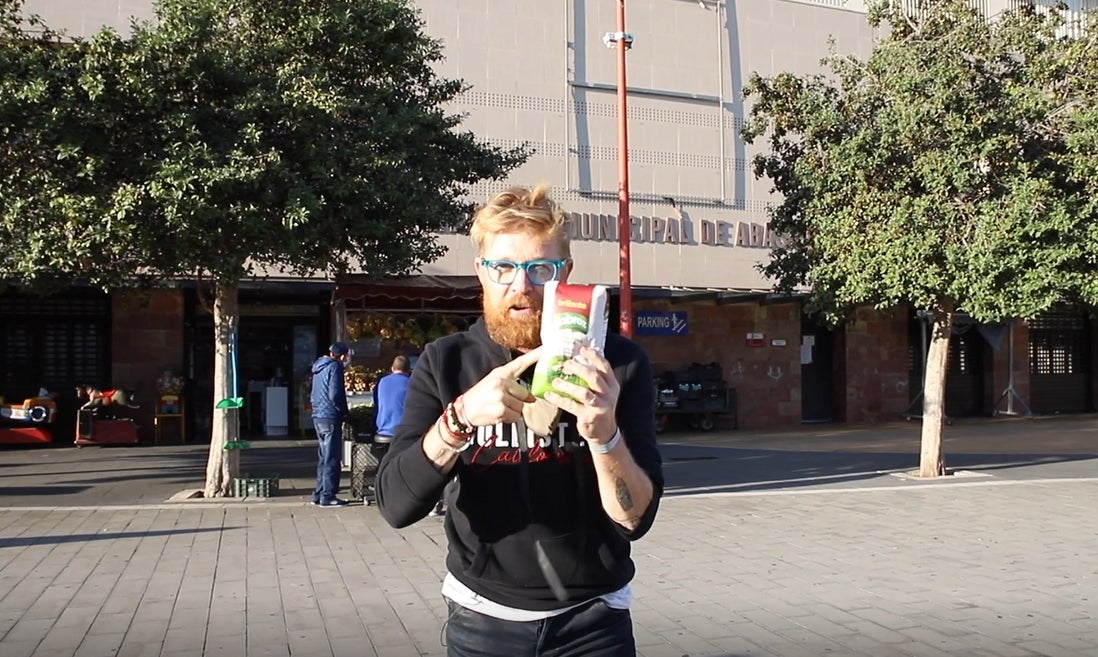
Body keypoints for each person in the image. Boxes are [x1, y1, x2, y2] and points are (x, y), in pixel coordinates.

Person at [376, 185, 663, 656]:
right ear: (481, 273)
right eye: (504, 268)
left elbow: (636, 519)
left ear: (565, 274)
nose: (521, 286)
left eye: (540, 269)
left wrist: (604, 435)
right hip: (481, 619)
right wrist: (460, 417)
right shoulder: (446, 362)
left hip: (593, 620)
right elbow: (395, 505)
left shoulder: (619, 364)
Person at [310, 341, 351, 507]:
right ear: (341, 356)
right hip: (330, 416)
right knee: (332, 457)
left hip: (318, 415)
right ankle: (328, 495)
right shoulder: (335, 367)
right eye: (346, 356)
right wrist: (344, 411)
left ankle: (318, 493)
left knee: (323, 457)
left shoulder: (318, 367)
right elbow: (335, 393)